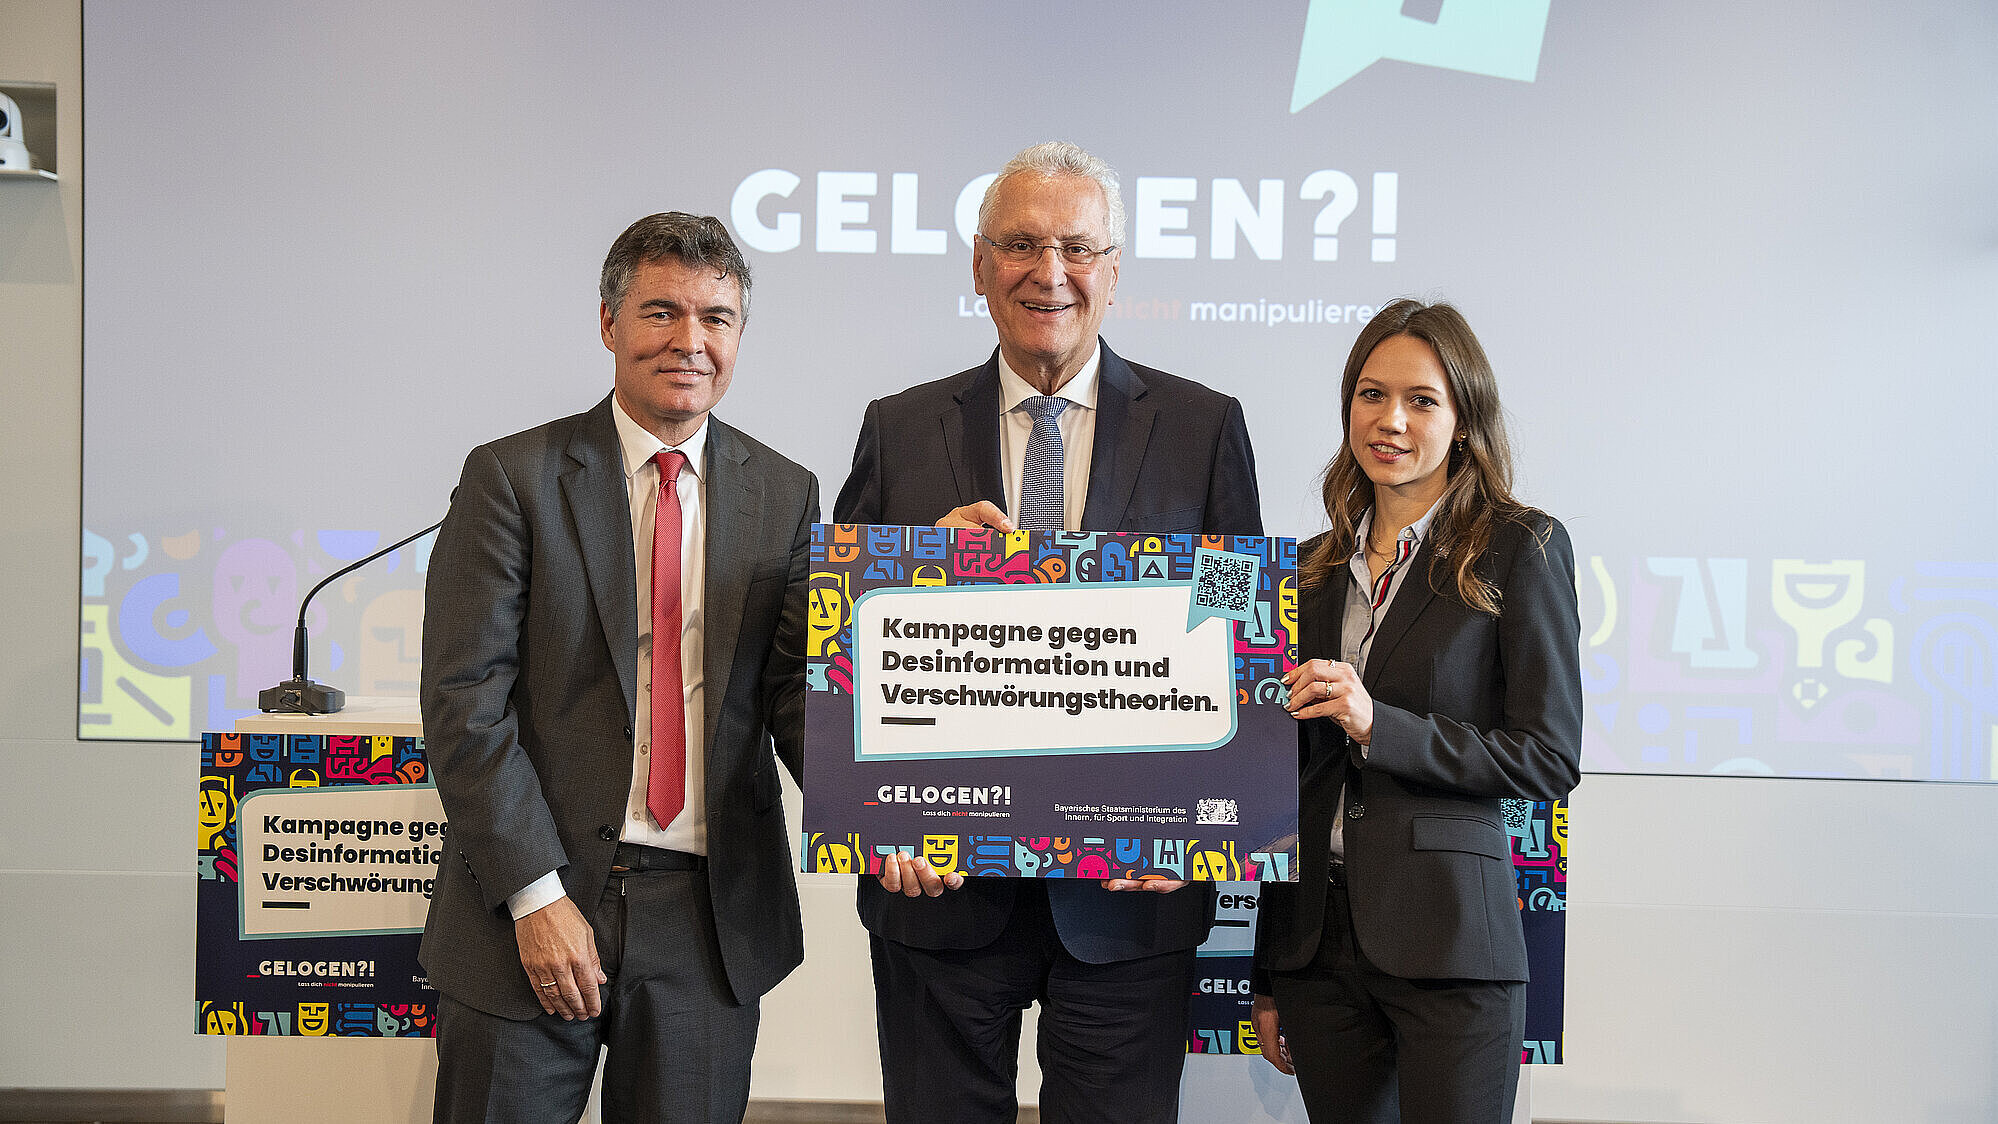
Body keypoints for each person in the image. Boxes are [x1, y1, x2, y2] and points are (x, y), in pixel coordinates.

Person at [832, 140, 1263, 1124]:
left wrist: (1199, 827)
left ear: (1114, 270)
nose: (1049, 271)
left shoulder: (1203, 427)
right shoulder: (898, 429)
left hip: (1132, 893)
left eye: (1076, 246)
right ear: (980, 268)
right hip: (938, 891)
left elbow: (1244, 638)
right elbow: (835, 650)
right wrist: (905, 571)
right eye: (1020, 245)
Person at [419, 212, 817, 1123]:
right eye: (660, 312)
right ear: (608, 324)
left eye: (716, 318)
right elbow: (463, 704)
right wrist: (535, 895)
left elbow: (795, 694)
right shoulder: (514, 477)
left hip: (707, 920)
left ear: (739, 334)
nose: (690, 341)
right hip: (530, 905)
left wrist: (902, 806)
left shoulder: (784, 492)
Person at [1250, 298, 1583, 1123]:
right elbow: (1276, 783)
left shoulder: (1521, 546)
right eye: (1370, 395)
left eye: (1421, 400)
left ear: (1464, 418)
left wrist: (1378, 726)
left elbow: (1548, 758)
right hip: (1317, 947)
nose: (1390, 420)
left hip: (1451, 947)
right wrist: (1267, 971)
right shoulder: (1304, 571)